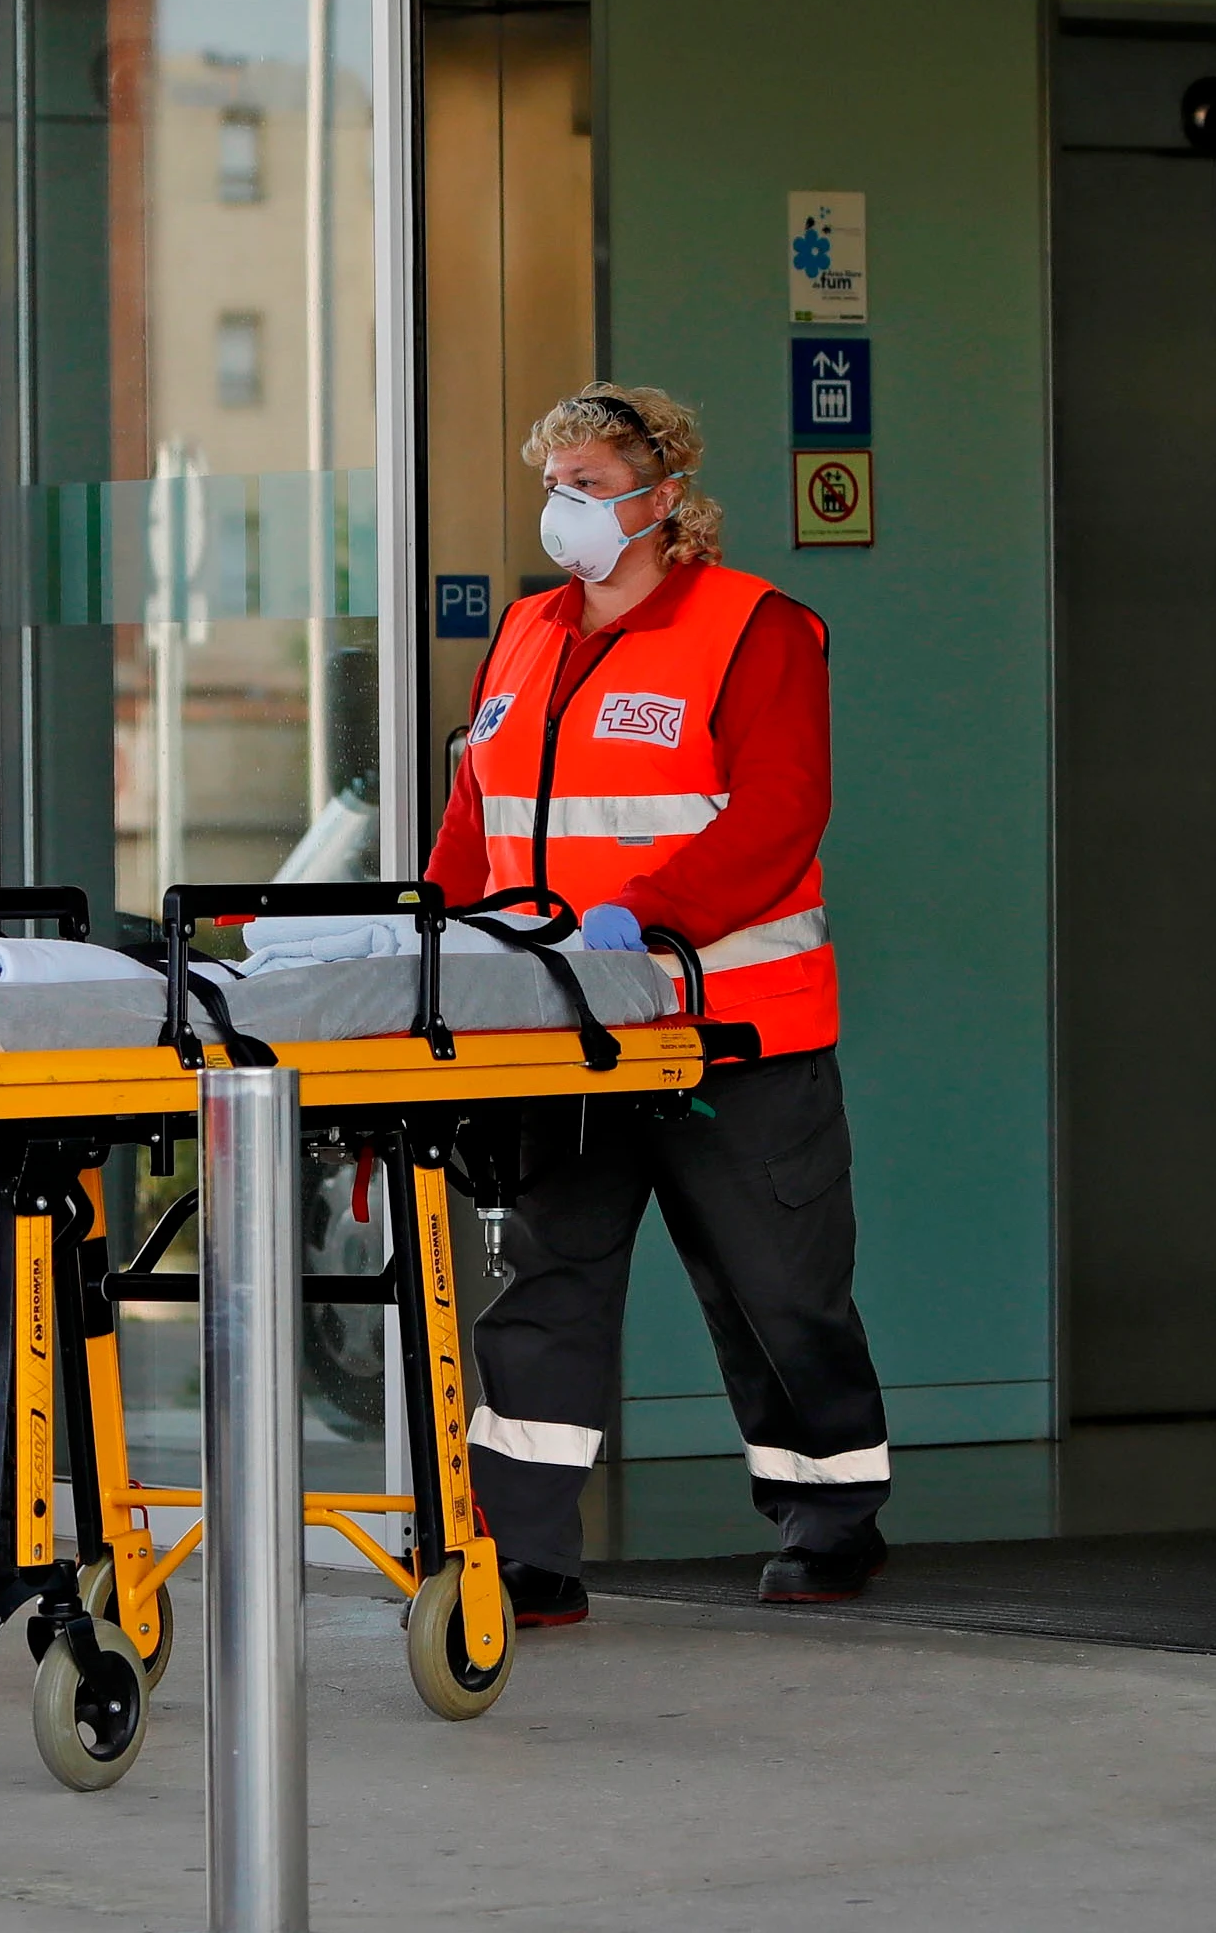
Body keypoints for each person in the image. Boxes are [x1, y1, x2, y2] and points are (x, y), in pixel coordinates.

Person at [429, 380, 890, 1625]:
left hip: (725, 1028)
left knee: (776, 1287)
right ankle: (523, 1552)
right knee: (544, 1287)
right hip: (558, 1032)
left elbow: (780, 812)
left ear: (663, 494)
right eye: (554, 484)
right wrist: (431, 955)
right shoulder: (526, 634)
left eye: (588, 483)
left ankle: (830, 1512)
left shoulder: (756, 628)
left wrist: (656, 917)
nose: (563, 508)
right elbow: (472, 830)